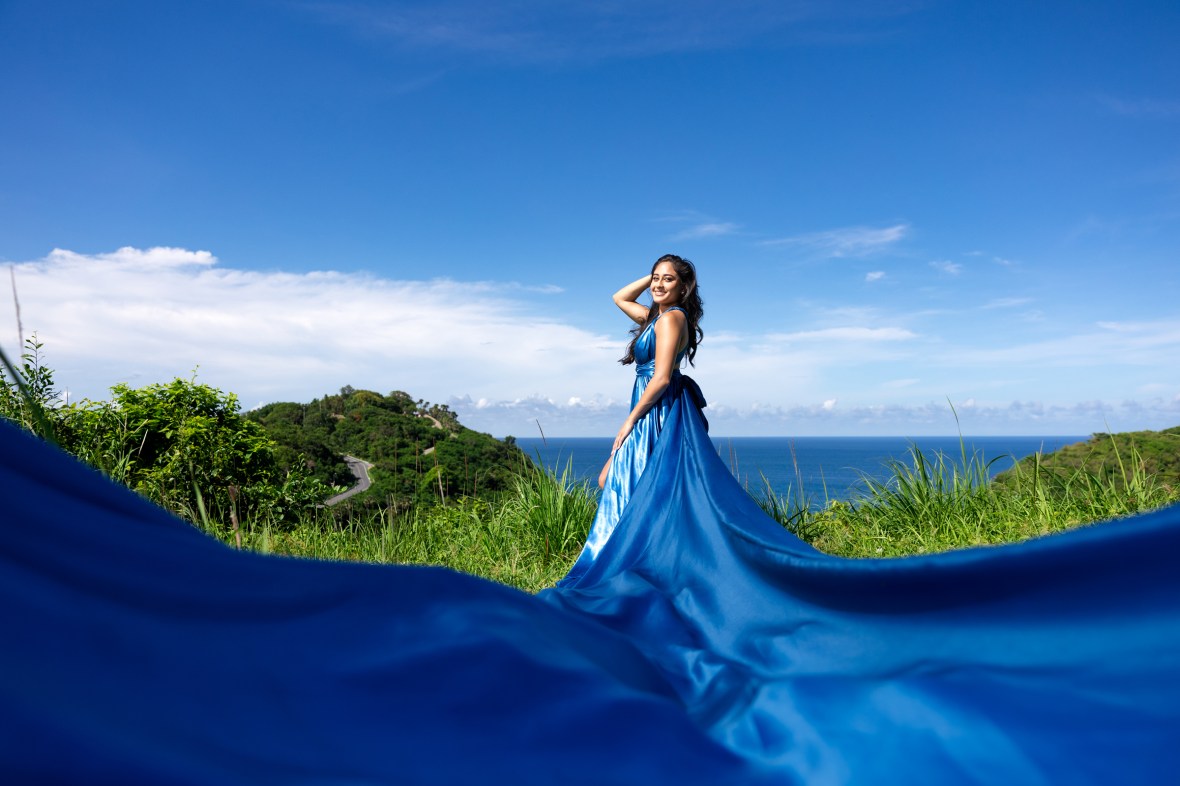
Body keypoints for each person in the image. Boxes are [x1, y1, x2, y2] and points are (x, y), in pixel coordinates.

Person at [560, 254, 707, 584]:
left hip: (655, 409)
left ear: (684, 287)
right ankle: (648, 562)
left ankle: (641, 567)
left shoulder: (671, 320)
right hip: (650, 406)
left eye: (668, 279)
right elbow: (619, 298)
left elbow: (662, 378)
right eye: (655, 278)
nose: (658, 284)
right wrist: (653, 278)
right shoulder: (658, 318)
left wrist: (629, 422)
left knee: (623, 483)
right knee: (626, 483)